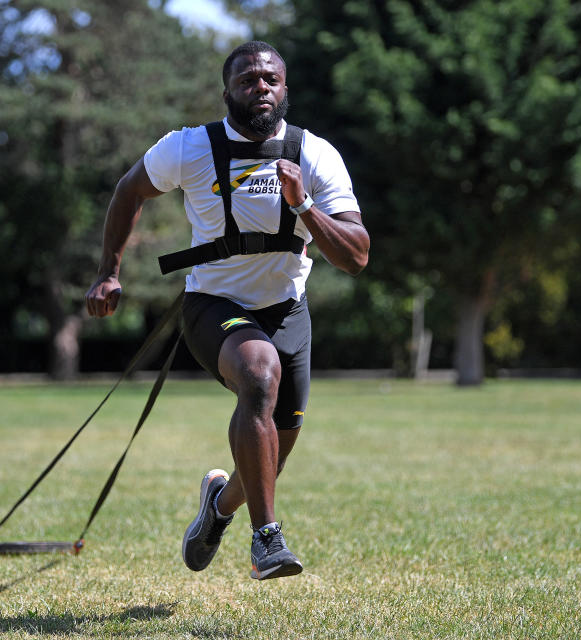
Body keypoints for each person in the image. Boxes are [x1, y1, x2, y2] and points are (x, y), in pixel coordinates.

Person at [85, 40, 369, 580]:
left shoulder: (315, 155)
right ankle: (268, 541)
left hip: (287, 312)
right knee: (260, 374)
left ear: (285, 89)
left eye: (269, 80)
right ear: (227, 92)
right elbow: (128, 190)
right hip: (214, 307)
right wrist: (109, 271)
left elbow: (356, 255)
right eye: (246, 81)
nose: (259, 88)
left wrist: (303, 205)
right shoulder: (188, 148)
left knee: (268, 461)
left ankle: (217, 508)